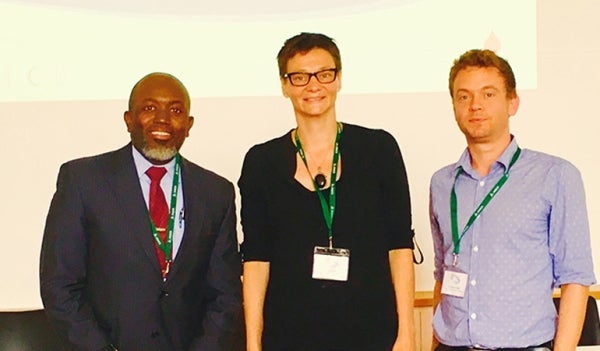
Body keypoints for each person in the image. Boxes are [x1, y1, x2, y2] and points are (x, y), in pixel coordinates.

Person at [40, 72, 243, 351]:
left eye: (175, 110)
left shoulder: (216, 192)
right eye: (149, 108)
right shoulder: (83, 180)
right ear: (128, 119)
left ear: (189, 124)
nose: (162, 119)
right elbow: (59, 285)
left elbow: (225, 294)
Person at [239, 32, 416, 351]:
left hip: (372, 333)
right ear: (284, 85)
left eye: (324, 74)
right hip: (289, 335)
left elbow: (399, 246)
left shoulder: (378, 149)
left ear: (339, 79)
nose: (313, 85)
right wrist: (253, 344)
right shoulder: (261, 162)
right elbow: (256, 259)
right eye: (299, 77)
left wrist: (406, 334)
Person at [429, 49, 596, 351]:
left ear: (513, 102)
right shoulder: (442, 183)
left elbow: (576, 278)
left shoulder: (555, 175)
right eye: (463, 96)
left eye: (488, 94)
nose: (475, 105)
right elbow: (443, 277)